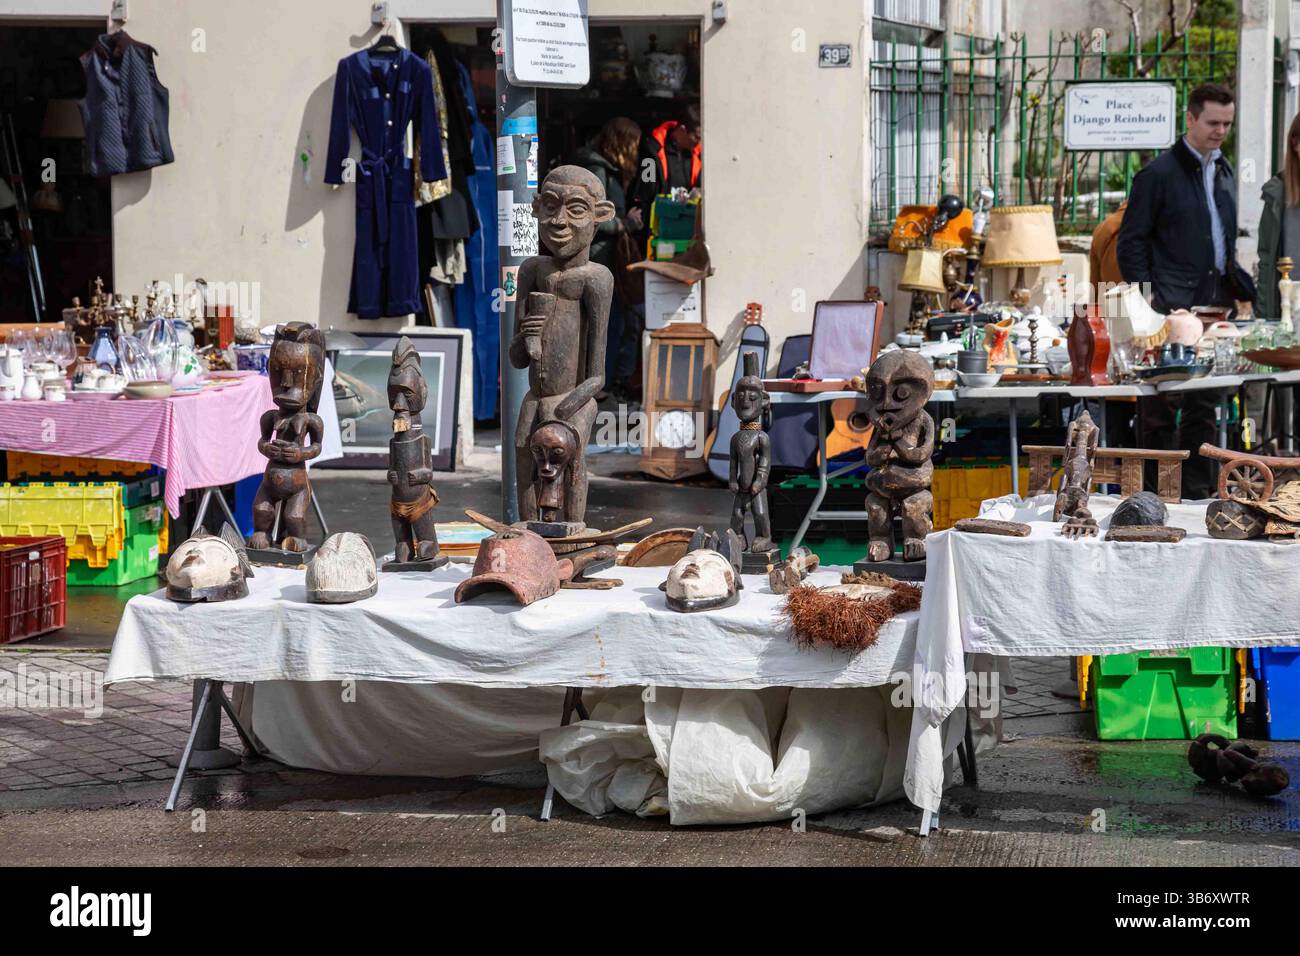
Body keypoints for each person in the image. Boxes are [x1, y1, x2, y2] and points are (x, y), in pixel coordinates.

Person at [1116, 82, 1258, 498]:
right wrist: (1148, 304)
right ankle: (1154, 495)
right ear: (1191, 119)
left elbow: (1223, 241)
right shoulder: (1158, 175)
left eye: (1227, 124)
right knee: (1160, 403)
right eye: (1213, 122)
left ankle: (1196, 492)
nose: (1220, 131)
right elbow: (1131, 243)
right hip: (1167, 307)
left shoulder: (1225, 171)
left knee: (1204, 403)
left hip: (1214, 306)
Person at [573, 117, 644, 397]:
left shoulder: (602, 167)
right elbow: (592, 219)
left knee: (612, 320)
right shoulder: (596, 169)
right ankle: (596, 385)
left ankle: (603, 381)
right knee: (603, 320)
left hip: (605, 257)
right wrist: (624, 223)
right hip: (599, 257)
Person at [1256, 112, 1300, 320]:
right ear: (1295, 143)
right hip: (1287, 312)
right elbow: (1266, 260)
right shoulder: (1277, 193)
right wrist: (1265, 317)